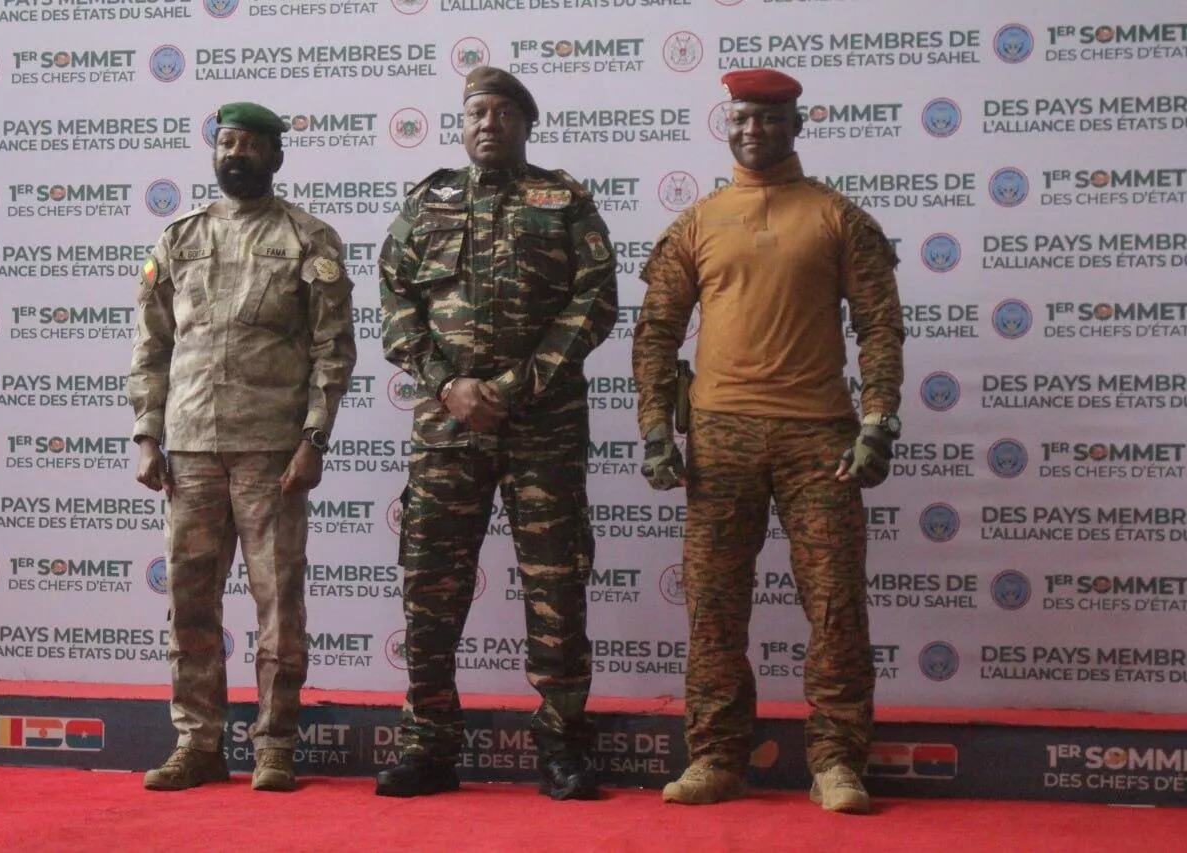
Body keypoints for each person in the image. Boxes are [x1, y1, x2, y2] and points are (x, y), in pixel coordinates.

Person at [632, 69, 904, 813]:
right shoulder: (697, 221)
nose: (754, 131)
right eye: (742, 118)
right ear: (729, 124)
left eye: (769, 119)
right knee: (715, 606)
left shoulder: (838, 217)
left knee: (836, 602)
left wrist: (880, 419)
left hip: (821, 438)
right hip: (718, 437)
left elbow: (879, 325)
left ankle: (839, 763)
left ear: (796, 124)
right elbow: (655, 331)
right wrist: (656, 428)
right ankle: (718, 757)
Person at [376, 67, 618, 800]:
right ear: (463, 121)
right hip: (446, 428)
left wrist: (514, 388)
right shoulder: (427, 202)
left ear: (525, 123)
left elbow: (594, 300)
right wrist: (448, 385)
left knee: (555, 582)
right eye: (477, 112)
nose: (488, 124)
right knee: (430, 587)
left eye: (503, 113)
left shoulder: (565, 200)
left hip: (542, 427)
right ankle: (430, 742)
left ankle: (564, 746)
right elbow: (394, 298)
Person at [129, 102, 357, 793]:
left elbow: (332, 351)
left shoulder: (307, 238)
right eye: (227, 141)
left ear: (276, 156)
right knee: (191, 605)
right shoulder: (179, 237)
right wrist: (147, 432)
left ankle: (274, 745)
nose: (237, 153)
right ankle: (198, 743)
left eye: (251, 144)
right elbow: (152, 344)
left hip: (270, 451)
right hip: (191, 447)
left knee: (279, 606)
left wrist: (315, 438)